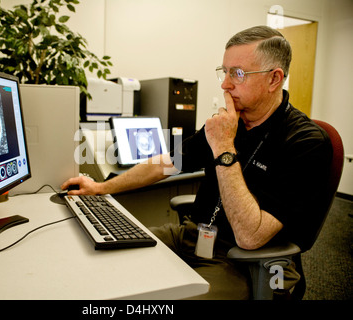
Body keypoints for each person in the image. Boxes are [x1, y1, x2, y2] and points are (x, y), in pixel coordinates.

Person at [61, 25, 332, 299]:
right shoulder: (228, 123)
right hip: (196, 234)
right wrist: (101, 188)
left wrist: (224, 147)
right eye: (223, 71)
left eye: (237, 74)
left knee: (164, 299)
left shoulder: (306, 143)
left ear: (274, 79)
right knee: (107, 255)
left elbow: (251, 236)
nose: (225, 84)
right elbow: (166, 163)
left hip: (249, 261)